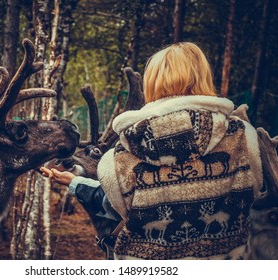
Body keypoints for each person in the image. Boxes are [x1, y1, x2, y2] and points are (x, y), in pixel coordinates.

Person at [43, 42, 263, 260]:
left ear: (151, 84)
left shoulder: (122, 154)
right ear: (204, 78)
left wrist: (75, 183)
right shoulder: (244, 138)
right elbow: (255, 198)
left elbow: (110, 205)